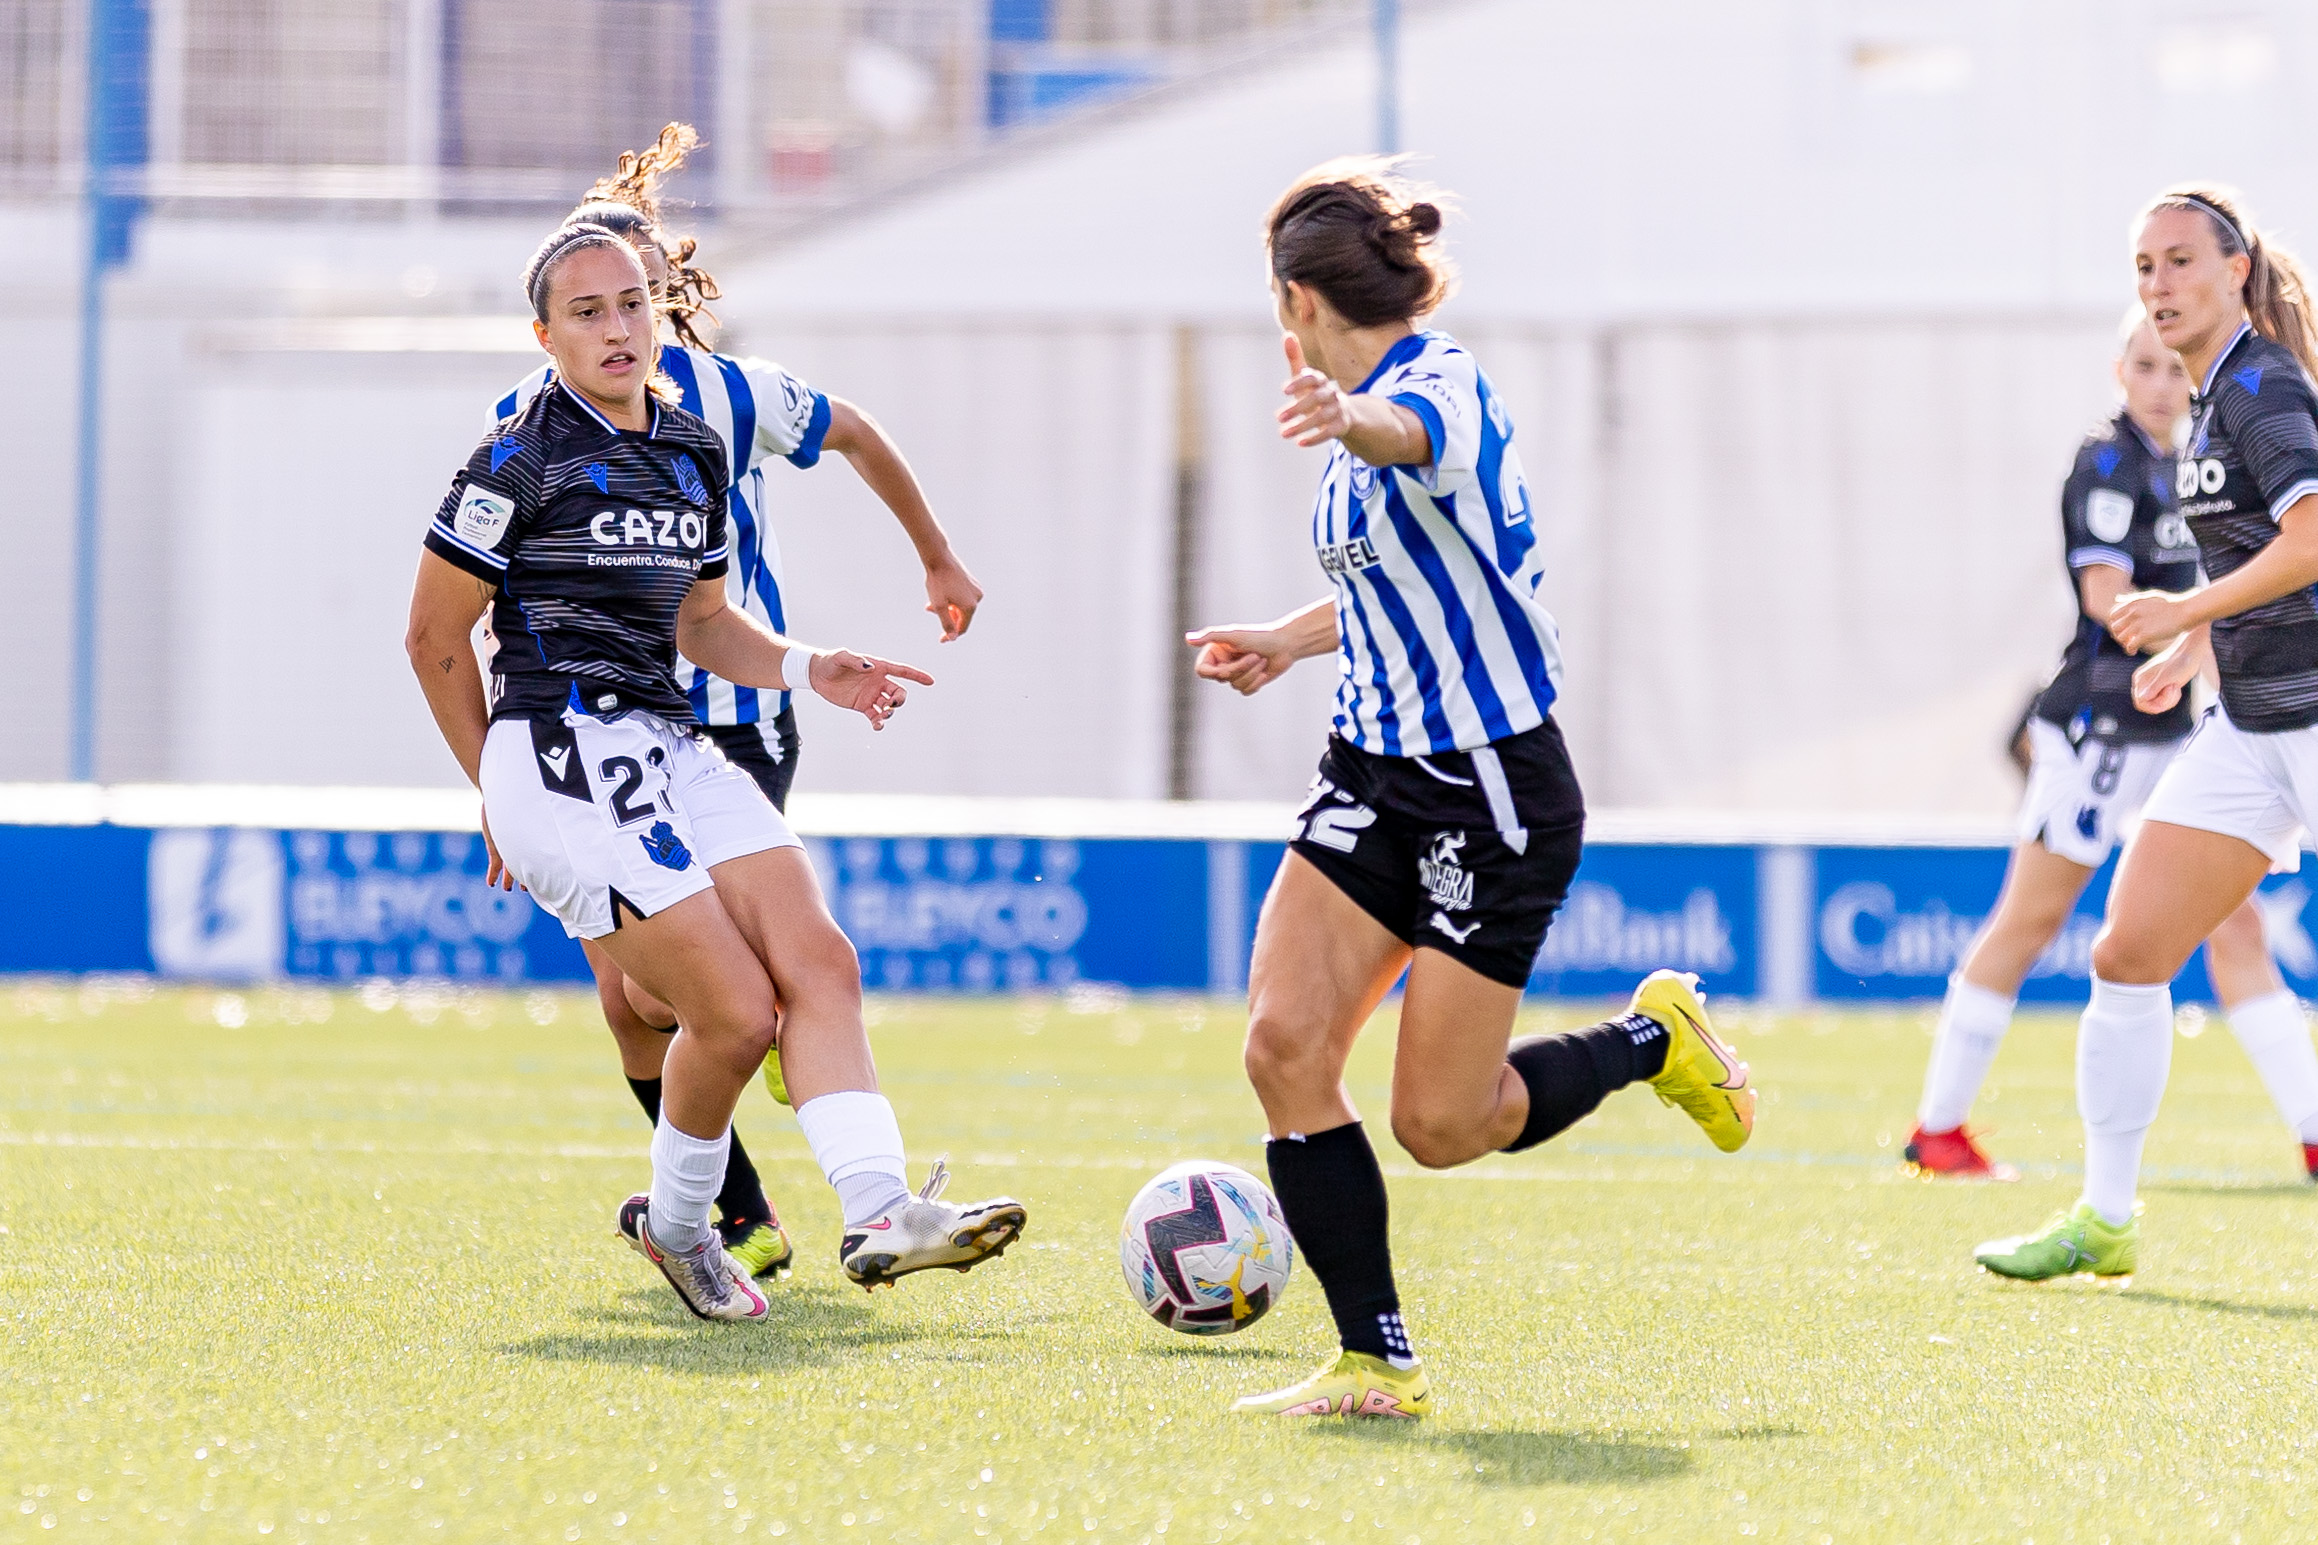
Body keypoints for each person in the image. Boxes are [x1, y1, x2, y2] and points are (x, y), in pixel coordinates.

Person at [1183, 159, 1755, 1418]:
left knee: (1441, 1125)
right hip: (1367, 773)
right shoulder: (1348, 411)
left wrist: (1354, 424)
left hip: (1490, 792)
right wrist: (1288, 638)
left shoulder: (1432, 382)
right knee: (1282, 1045)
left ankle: (1652, 1039)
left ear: (1295, 301)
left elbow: (1415, 439)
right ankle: (1372, 1364)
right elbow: (1402, 587)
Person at [406, 224, 1025, 1320]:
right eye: (587, 312)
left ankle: (880, 1210)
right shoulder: (515, 460)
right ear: (543, 333)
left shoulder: (693, 448)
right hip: (558, 756)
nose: (617, 328)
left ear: (664, 309)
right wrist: (492, 786)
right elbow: (434, 641)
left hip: (668, 744)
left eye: (633, 303)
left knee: (818, 961)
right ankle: (685, 1230)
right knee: (731, 1014)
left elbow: (701, 623)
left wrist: (807, 666)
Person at [1977, 185, 2318, 1282]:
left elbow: (2310, 544)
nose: (2157, 285)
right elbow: (2259, 571)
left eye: (2177, 263)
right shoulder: (2212, 402)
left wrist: (2183, 613)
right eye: (2141, 268)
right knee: (2126, 954)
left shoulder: (2262, 390)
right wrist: (2195, 651)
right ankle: (2105, 1216)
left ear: (2233, 270)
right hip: (2251, 723)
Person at [1910, 309, 2318, 1182]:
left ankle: (2312, 1129)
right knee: (2032, 917)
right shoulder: (2107, 459)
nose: (2163, 383)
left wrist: (2195, 638)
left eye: (2174, 368)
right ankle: (1937, 1127)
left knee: (2236, 927)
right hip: (2098, 723)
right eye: (2145, 366)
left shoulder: (2205, 455)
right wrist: (2180, 630)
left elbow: (2227, 594)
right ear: (2119, 372)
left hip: (2179, 729)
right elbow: (2106, 595)